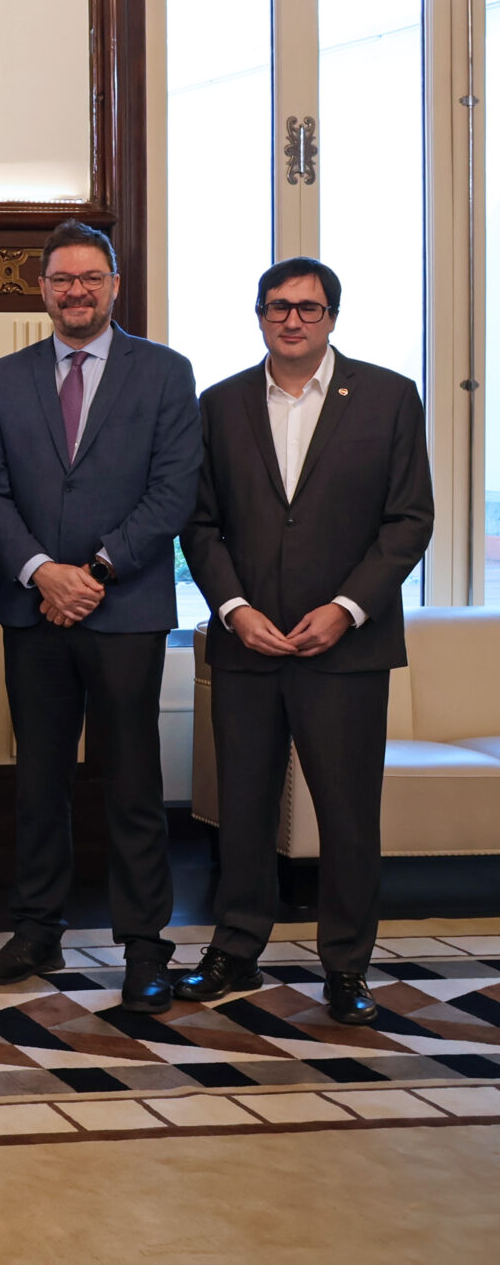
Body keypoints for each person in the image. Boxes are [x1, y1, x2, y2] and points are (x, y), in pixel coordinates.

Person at [175, 258, 432, 1027]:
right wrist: (233, 606)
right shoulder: (218, 404)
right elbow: (200, 522)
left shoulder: (388, 397)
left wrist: (347, 607)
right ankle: (236, 948)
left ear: (332, 318)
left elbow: (409, 519)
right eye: (278, 307)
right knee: (243, 809)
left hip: (345, 649)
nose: (293, 319)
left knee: (349, 816)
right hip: (248, 644)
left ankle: (348, 966)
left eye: (309, 308)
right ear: (258, 316)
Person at [0, 220, 200, 1012]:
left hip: (125, 607)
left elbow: (173, 492)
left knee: (134, 782)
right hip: (33, 609)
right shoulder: (6, 376)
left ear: (113, 284)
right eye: (61, 279)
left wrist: (94, 571)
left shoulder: (167, 373)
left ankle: (144, 945)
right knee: (40, 779)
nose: (76, 291)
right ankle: (37, 927)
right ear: (42, 288)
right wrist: (42, 571)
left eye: (90, 278)